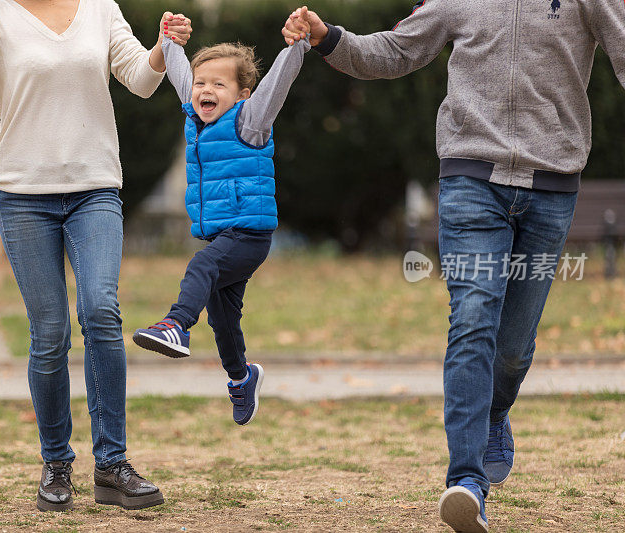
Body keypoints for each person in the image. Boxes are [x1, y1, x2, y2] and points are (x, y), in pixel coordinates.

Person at [283, 3, 625, 532]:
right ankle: (467, 482)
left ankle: (493, 414)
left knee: (512, 348)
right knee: (471, 320)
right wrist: (329, 38)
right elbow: (397, 51)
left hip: (552, 188)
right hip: (471, 181)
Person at [0, 0, 191, 513]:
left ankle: (112, 465)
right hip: (24, 196)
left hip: (94, 190)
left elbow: (139, 78)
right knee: (49, 332)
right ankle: (56, 465)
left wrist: (162, 47)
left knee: (100, 311)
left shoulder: (101, 8)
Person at [132, 17, 311, 426]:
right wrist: (169, 40)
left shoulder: (250, 120)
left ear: (243, 94)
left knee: (203, 265)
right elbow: (179, 73)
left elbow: (278, 84)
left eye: (219, 84)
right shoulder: (194, 117)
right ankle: (241, 377)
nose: (206, 90)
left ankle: (176, 324)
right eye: (201, 83)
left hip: (249, 234)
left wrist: (297, 46)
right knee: (223, 318)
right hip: (224, 235)